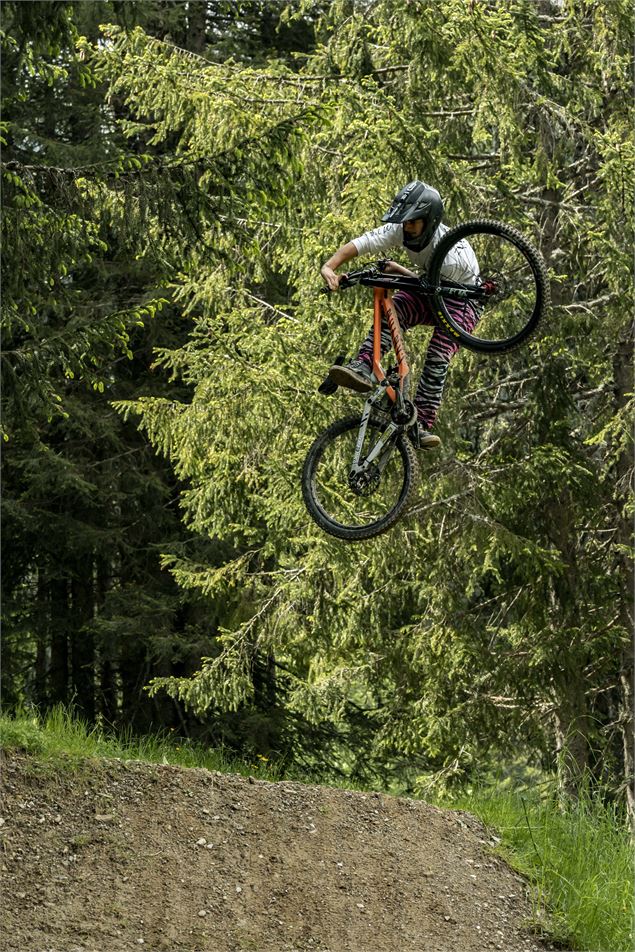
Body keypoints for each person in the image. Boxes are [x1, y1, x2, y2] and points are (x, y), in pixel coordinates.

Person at [320, 180, 480, 450]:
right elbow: (364, 242)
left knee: (438, 355)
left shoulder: (453, 255)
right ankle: (365, 366)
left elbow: (430, 286)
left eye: (413, 224)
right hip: (430, 287)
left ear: (429, 221)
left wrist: (401, 272)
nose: (407, 229)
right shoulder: (402, 229)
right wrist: (330, 266)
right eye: (405, 223)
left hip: (462, 298)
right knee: (394, 308)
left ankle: (422, 424)